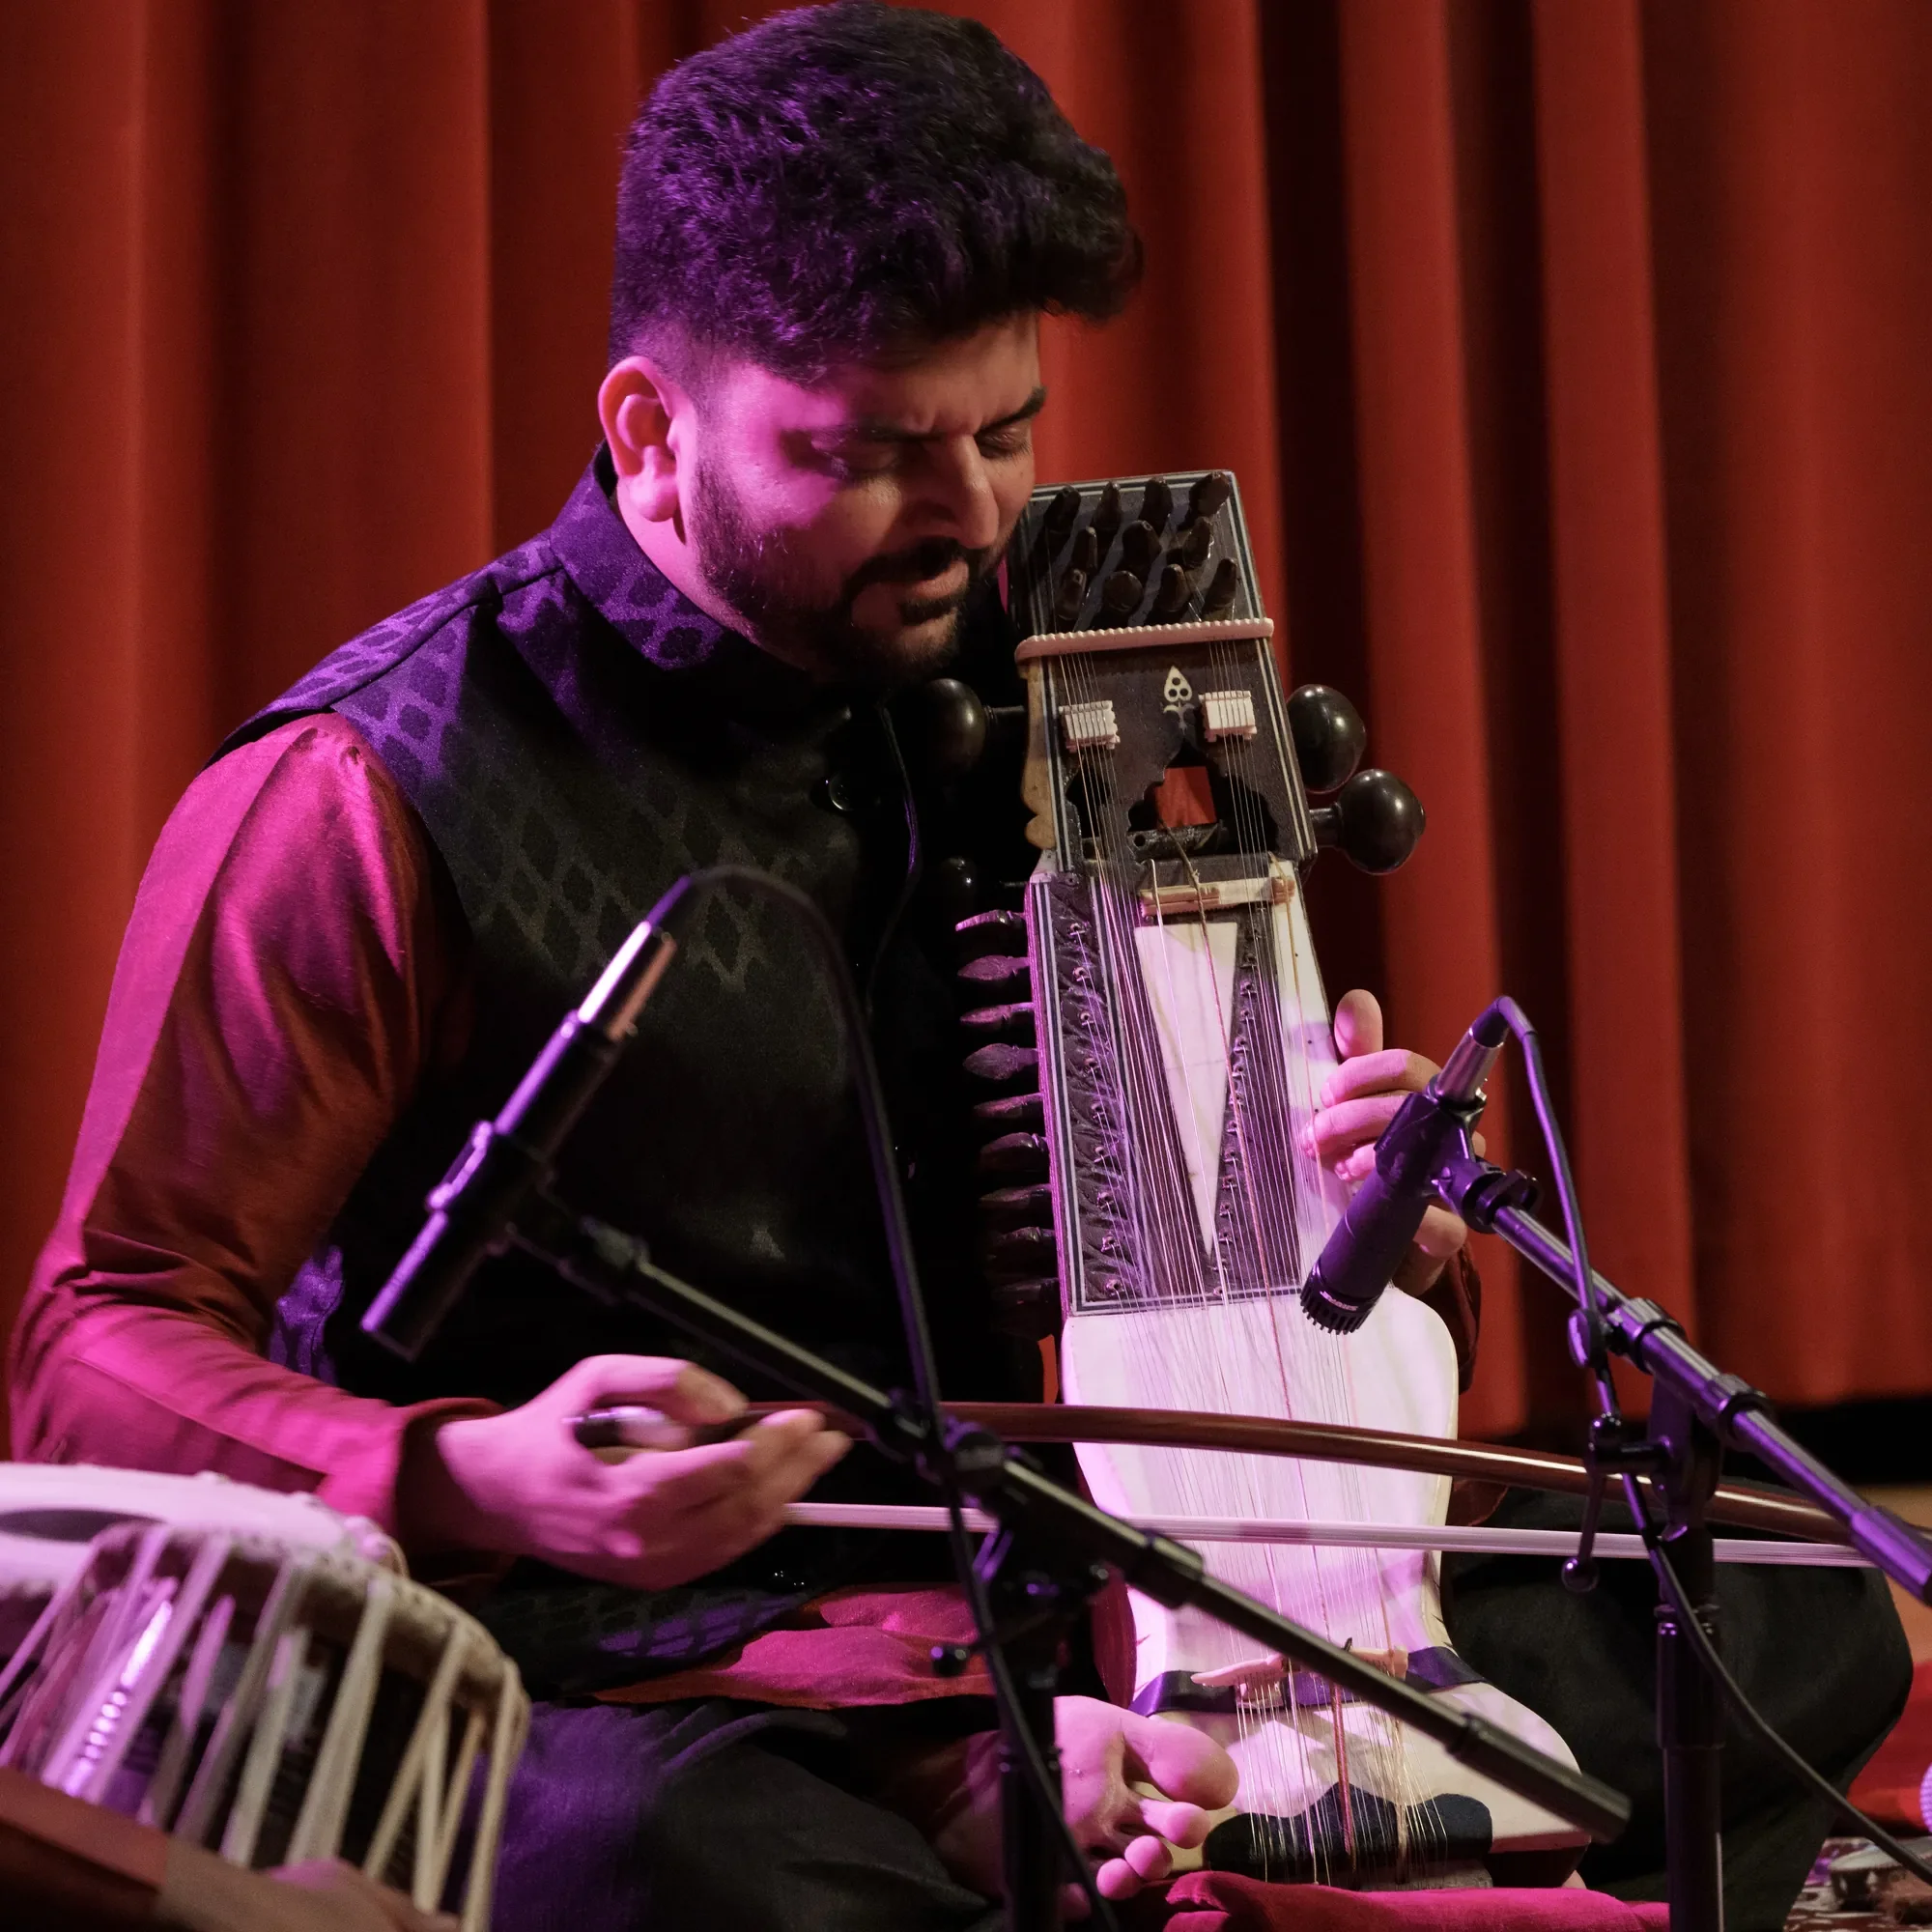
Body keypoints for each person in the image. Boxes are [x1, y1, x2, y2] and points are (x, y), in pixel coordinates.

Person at [6, 6, 1903, 1929]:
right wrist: (472, 1475)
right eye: (872, 455)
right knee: (688, 1863)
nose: (975, 512)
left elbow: (1240, 1343)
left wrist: (1354, 1234)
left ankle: (1150, 1829)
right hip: (664, 1670)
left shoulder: (1092, 668)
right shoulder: (365, 788)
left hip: (1119, 1603)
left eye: (1008, 431)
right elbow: (90, 1346)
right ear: (650, 430)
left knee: (1779, 1628)